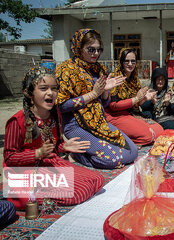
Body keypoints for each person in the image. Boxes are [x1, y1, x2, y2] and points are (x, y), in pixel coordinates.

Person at [3, 67, 105, 209]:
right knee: (79, 192)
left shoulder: (54, 115)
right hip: (27, 171)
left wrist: (64, 147)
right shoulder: (17, 121)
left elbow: (55, 147)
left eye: (54, 89)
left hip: (50, 163)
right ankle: (26, 195)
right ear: (29, 93)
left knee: (97, 179)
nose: (50, 93)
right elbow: (9, 158)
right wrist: (37, 153)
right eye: (44, 88)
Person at [56, 29, 138, 169]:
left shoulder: (98, 69)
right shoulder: (65, 69)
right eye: (91, 49)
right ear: (79, 48)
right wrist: (93, 94)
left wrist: (105, 92)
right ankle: (77, 155)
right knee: (113, 160)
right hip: (76, 125)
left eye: (99, 50)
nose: (96, 54)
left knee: (133, 152)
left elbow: (105, 103)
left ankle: (89, 151)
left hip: (99, 122)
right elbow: (62, 105)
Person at [105, 48, 164, 146]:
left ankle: (128, 136)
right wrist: (136, 99)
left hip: (130, 114)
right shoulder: (115, 78)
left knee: (159, 131)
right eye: (126, 61)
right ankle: (117, 141)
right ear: (121, 62)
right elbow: (113, 106)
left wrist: (145, 98)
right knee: (148, 136)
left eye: (133, 61)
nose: (130, 64)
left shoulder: (134, 79)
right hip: (115, 115)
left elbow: (137, 103)